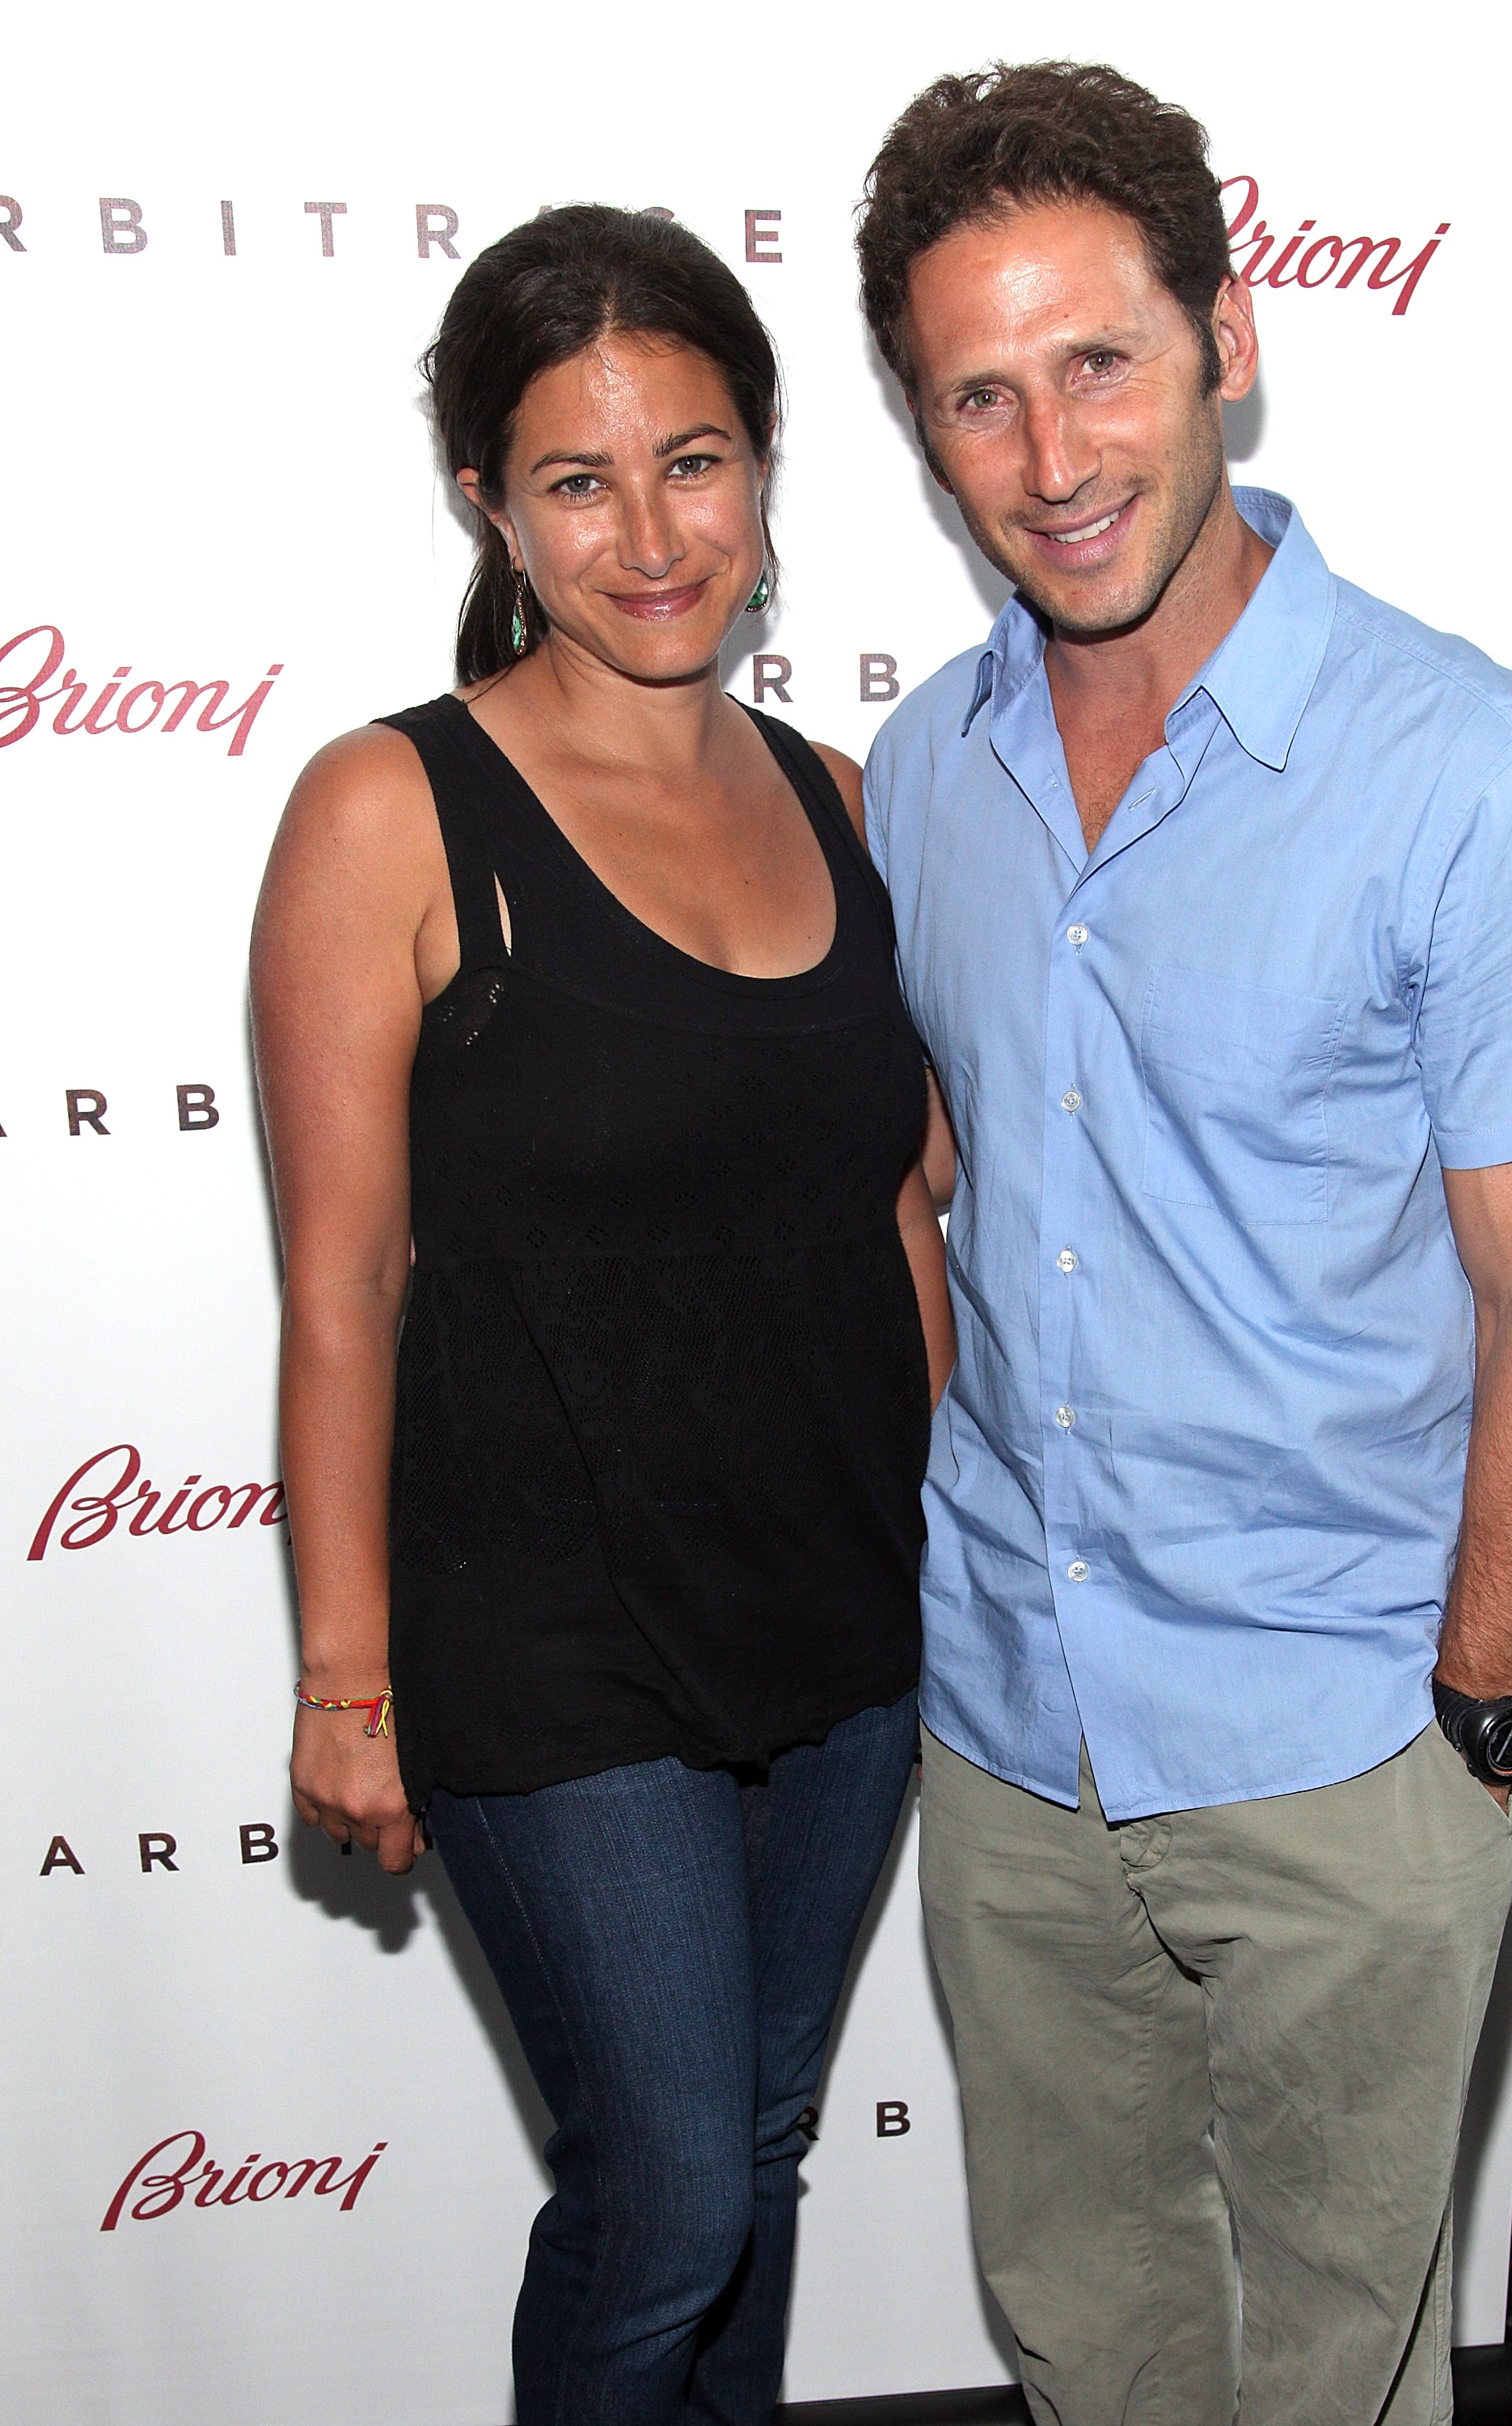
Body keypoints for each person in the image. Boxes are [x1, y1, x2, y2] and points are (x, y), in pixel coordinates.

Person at [855, 63, 1512, 2426]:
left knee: (1333, 2374)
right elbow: (934, 1197)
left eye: (1095, 359)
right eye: (975, 399)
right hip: (1009, 1732)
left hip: (1343, 1742)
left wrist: (1478, 1733)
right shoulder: (926, 773)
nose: (1049, 450)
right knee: (1087, 2346)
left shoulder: (1466, 772)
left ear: (1228, 334)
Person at [250, 204, 952, 2426]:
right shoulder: (389, 807)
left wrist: (944, 1551)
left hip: (839, 1612)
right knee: (664, 2191)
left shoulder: (846, 806)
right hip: (544, 1627)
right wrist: (346, 1673)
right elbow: (344, 1278)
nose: (650, 532)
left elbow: (898, 1214)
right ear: (490, 501)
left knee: (748, 2160)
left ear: (762, 471)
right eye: (577, 477)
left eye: (697, 458)